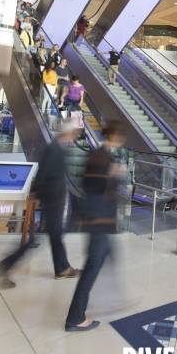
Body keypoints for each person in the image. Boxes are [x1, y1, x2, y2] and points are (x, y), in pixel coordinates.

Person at [0, 121, 83, 289]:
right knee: (40, 239)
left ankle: (62, 268)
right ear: (67, 134)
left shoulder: (59, 149)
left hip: (53, 201)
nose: (75, 137)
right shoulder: (54, 150)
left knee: (54, 237)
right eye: (74, 134)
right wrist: (36, 195)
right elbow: (43, 174)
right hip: (52, 201)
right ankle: (4, 267)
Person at [65, 120, 127, 332]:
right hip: (99, 221)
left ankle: (112, 297)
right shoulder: (102, 157)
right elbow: (94, 187)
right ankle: (75, 318)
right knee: (92, 268)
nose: (122, 140)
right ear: (113, 137)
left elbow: (89, 184)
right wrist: (113, 175)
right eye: (120, 136)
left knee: (107, 257)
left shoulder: (102, 156)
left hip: (101, 221)